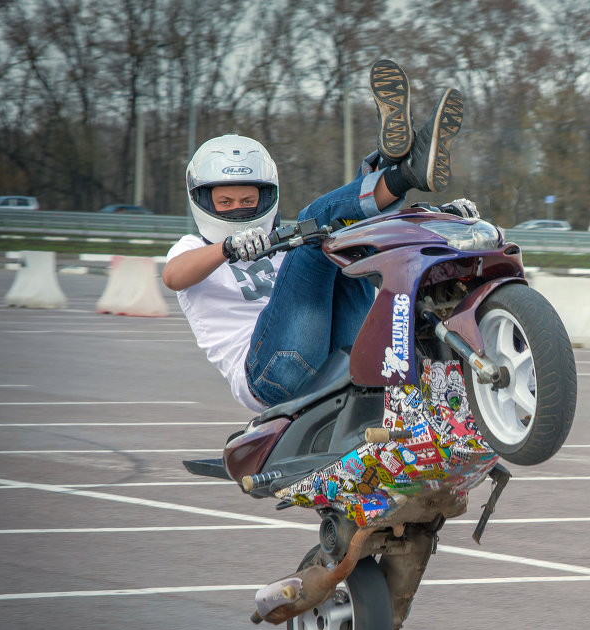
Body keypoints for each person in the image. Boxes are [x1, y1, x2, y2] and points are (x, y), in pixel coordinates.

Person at [164, 59, 475, 412]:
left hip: (339, 359)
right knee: (315, 223)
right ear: (204, 201)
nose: (238, 209)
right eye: (226, 202)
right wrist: (228, 248)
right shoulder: (193, 248)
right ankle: (401, 172)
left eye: (248, 200)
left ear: (267, 196)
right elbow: (173, 276)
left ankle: (393, 160)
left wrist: (436, 220)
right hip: (273, 373)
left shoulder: (282, 242)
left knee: (340, 238)